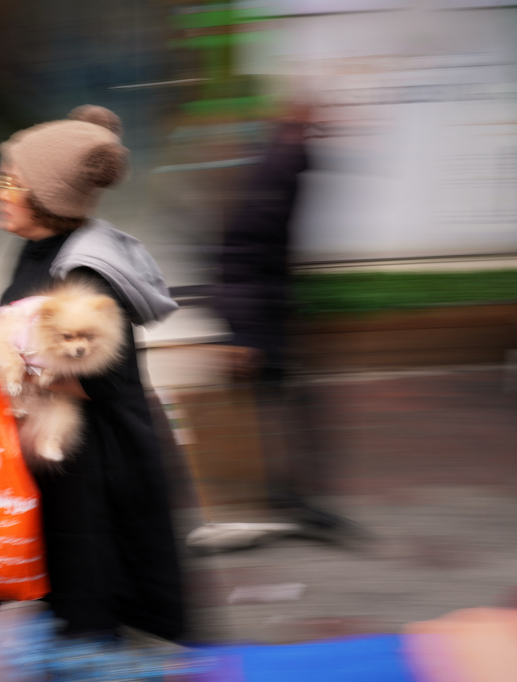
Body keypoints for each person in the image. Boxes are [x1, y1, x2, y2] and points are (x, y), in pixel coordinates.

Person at [0, 105, 185, 642]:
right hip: (63, 466)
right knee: (63, 611)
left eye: (7, 181)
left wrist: (13, 369)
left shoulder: (84, 271)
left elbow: (108, 379)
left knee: (91, 614)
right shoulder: (38, 248)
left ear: (44, 196)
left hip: (98, 478)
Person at [191, 97, 362, 550]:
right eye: (315, 124)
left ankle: (280, 499)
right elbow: (242, 248)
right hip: (257, 320)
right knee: (271, 411)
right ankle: (268, 505)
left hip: (265, 314)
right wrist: (243, 336)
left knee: (280, 410)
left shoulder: (286, 166)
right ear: (297, 126)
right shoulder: (276, 172)